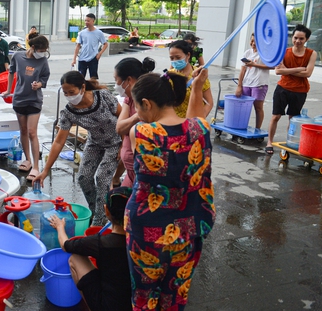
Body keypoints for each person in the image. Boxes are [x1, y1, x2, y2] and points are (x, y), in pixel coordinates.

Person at [126, 68, 215, 311]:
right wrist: (197, 88)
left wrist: (195, 87)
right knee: (176, 293)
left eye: (137, 108)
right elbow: (191, 124)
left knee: (145, 294)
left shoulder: (142, 132)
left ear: (146, 103)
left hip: (147, 230)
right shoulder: (202, 130)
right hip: (189, 227)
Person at [34, 71, 122, 226]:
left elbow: (123, 118)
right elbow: (59, 142)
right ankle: (98, 212)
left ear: (82, 87)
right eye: (66, 93)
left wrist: (125, 144)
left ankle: (98, 223)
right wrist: (45, 170)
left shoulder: (103, 96)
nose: (69, 96)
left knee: (102, 178)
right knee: (84, 177)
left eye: (72, 92)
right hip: (94, 143)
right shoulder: (69, 112)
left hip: (116, 142)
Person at [49, 186, 133, 311]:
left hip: (107, 305)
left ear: (107, 211)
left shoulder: (101, 242)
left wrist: (60, 227)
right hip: (135, 303)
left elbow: (65, 245)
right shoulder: (141, 240)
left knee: (75, 258)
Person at [5, 34, 50, 182]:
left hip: (34, 100)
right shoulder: (18, 56)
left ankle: (36, 167)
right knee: (23, 130)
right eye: (41, 50)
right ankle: (28, 160)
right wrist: (8, 90)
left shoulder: (43, 61)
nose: (43, 53)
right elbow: (11, 72)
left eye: (45, 50)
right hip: (19, 98)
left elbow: (45, 78)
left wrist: (40, 84)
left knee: (32, 132)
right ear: (33, 47)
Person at [266, 24, 317, 154]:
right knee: (275, 116)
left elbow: (308, 74)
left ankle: (289, 142)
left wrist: (286, 70)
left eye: (301, 39)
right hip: (283, 88)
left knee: (293, 118)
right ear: (292, 37)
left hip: (300, 91)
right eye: (295, 38)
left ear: (306, 39)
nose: (297, 41)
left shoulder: (312, 54)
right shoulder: (284, 51)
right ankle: (269, 142)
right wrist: (299, 69)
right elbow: (278, 71)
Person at [114, 57, 156, 188]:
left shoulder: (151, 101)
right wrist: (138, 115)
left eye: (117, 80)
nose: (116, 85)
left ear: (129, 80)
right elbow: (120, 128)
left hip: (144, 174)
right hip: (130, 172)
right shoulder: (129, 99)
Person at [235, 33, 272, 130]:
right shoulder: (247, 52)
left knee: (258, 108)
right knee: (244, 108)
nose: (253, 43)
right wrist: (239, 85)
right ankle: (241, 126)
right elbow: (242, 70)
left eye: (256, 42)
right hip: (247, 83)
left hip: (259, 84)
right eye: (252, 41)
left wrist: (254, 65)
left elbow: (272, 66)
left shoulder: (265, 53)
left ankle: (257, 129)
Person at [168, 40, 213, 118]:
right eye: (172, 58)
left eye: (178, 57)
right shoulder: (168, 76)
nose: (175, 61)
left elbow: (209, 103)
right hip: (174, 122)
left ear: (188, 55)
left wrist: (199, 120)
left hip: (192, 123)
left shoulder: (199, 75)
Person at [72, 14, 107, 79]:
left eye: (88, 21)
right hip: (82, 58)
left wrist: (100, 54)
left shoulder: (99, 33)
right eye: (85, 21)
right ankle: (82, 89)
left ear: (93, 21)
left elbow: (105, 44)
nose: (86, 22)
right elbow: (78, 46)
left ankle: (93, 89)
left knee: (93, 78)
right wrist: (74, 59)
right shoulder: (82, 33)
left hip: (93, 58)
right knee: (80, 77)